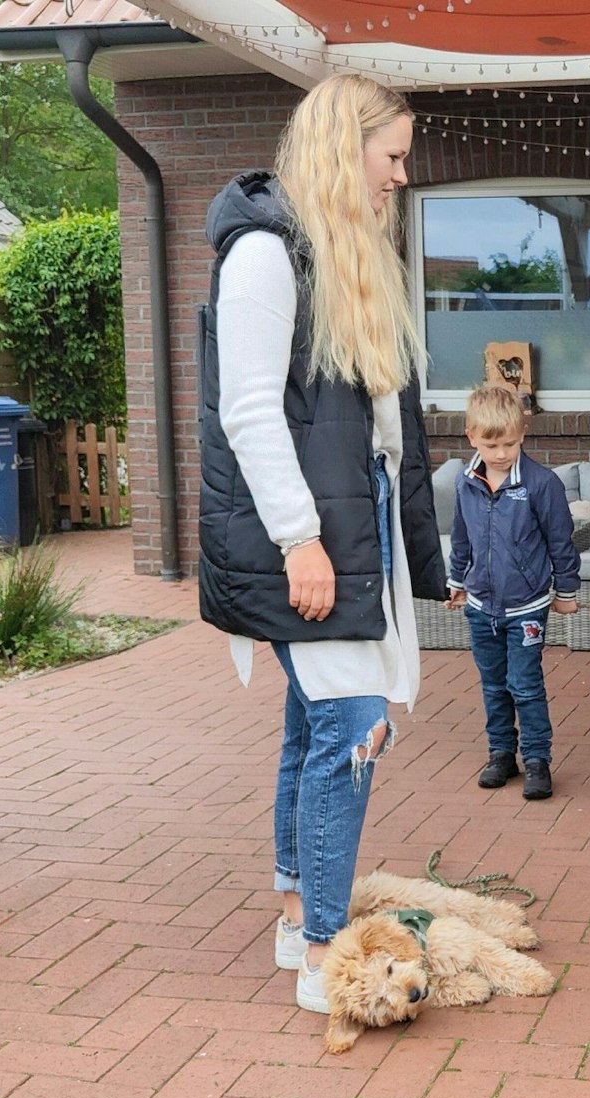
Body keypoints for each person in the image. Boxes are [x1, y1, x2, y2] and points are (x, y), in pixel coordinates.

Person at [196, 74, 446, 1017]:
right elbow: (249, 408)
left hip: (350, 520)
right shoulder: (266, 253)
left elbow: (381, 427)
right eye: (392, 157)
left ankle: (299, 912)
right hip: (315, 532)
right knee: (350, 731)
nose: (400, 178)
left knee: (315, 727)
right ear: (348, 149)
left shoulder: (335, 254)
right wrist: (301, 540)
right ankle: (328, 956)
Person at [444, 382, 581, 800]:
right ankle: (501, 753)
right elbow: (461, 536)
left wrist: (567, 590)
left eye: (510, 443)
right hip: (481, 603)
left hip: (527, 605)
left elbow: (561, 541)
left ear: (522, 434)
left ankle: (537, 759)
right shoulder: (466, 483)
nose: (502, 453)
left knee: (524, 683)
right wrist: (456, 580)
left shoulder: (541, 484)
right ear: (472, 437)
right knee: (493, 684)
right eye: (492, 444)